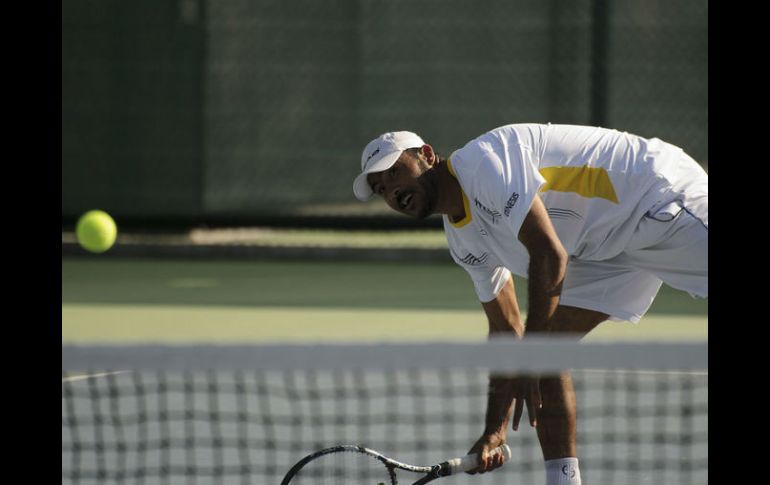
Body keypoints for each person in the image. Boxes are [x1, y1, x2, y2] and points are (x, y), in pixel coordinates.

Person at [352, 124, 708, 484]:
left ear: (426, 155)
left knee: (541, 350)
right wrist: (494, 430)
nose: (393, 191)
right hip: (603, 249)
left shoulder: (483, 163)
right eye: (382, 189)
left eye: (395, 172)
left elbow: (549, 254)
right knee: (548, 348)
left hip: (654, 195)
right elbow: (506, 329)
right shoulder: (462, 240)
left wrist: (534, 354)